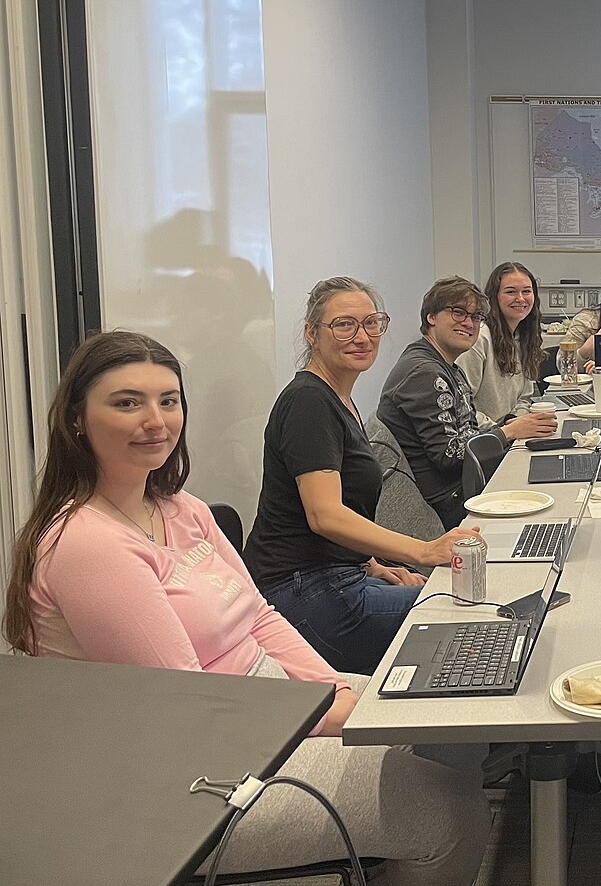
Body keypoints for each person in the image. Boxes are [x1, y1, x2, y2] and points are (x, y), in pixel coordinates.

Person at [3, 330, 489, 886]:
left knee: (446, 724)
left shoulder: (178, 506)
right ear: (76, 420)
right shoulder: (87, 545)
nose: (156, 421)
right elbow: (188, 702)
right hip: (187, 775)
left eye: (168, 400)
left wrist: (333, 691)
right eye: (127, 403)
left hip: (261, 706)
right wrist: (323, 716)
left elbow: (259, 615)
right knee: (449, 811)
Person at [242, 277, 482, 675]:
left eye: (371, 323)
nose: (362, 336)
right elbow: (324, 515)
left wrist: (374, 565)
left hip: (338, 575)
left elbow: (343, 505)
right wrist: (423, 552)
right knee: (464, 608)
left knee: (447, 594)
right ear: (312, 333)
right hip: (303, 591)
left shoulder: (338, 398)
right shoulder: (308, 401)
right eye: (344, 325)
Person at [379, 276, 556, 530]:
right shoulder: (425, 373)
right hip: (448, 504)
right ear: (431, 317)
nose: (469, 323)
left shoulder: (446, 366)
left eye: (475, 317)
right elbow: (450, 455)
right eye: (458, 312)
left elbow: (468, 431)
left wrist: (509, 428)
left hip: (462, 486)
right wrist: (507, 432)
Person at [457, 261, 544, 427]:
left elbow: (524, 398)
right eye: (511, 292)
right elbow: (462, 408)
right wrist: (504, 430)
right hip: (484, 435)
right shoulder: (479, 339)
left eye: (526, 291)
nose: (520, 298)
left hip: (508, 432)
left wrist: (517, 422)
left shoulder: (523, 338)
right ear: (494, 297)